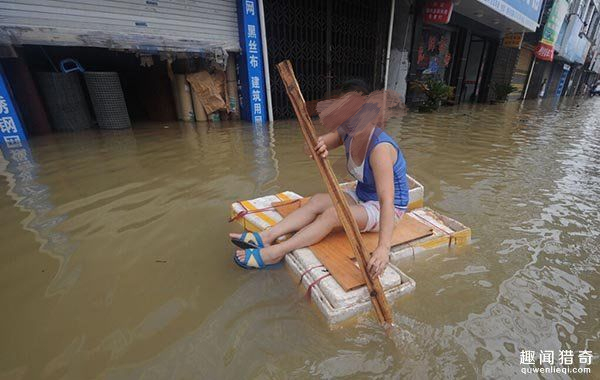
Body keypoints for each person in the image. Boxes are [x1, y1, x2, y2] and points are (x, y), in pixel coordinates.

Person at [230, 83, 409, 278]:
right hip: (362, 194)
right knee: (316, 201)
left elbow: (387, 200)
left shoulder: (379, 149)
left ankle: (275, 253)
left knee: (333, 214)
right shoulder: (347, 132)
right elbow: (313, 147)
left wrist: (384, 248)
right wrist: (317, 147)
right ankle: (267, 237)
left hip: (388, 210)